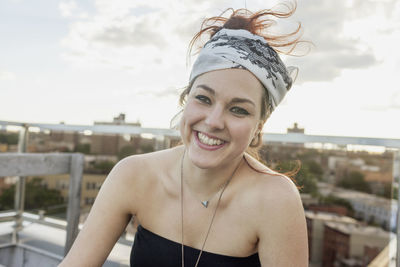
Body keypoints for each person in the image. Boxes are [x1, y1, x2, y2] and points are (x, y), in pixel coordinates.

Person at [59, 2, 309, 267]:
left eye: (238, 110)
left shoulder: (275, 200)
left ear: (260, 124)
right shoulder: (133, 175)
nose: (213, 122)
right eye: (203, 98)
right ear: (185, 100)